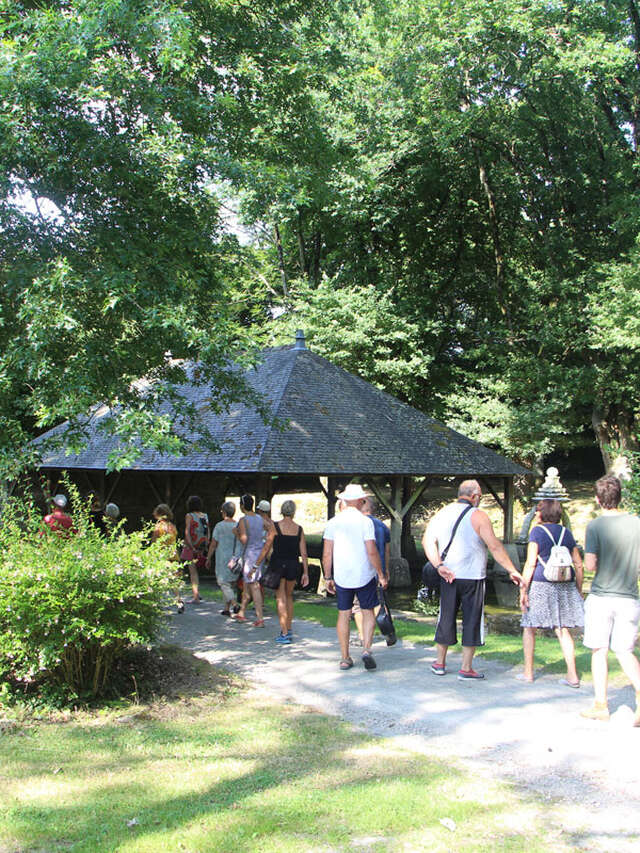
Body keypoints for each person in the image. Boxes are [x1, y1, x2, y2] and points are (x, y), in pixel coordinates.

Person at [423, 479, 522, 680]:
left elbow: (427, 541)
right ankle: (466, 667)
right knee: (472, 620)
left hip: (449, 574)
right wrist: (512, 569)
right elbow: (494, 546)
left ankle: (439, 662)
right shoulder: (478, 516)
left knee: (446, 617)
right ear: (475, 496)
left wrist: (439, 565)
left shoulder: (442, 513)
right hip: (473, 575)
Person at [581, 475, 640, 723]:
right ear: (620, 496)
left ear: (597, 499)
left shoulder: (595, 527)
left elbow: (591, 564)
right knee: (625, 651)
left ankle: (601, 704)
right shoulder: (637, 524)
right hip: (629, 596)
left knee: (599, 649)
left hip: (602, 595)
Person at [322, 484, 388, 671]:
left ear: (344, 500)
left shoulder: (333, 522)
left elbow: (327, 553)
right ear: (360, 501)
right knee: (367, 612)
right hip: (364, 575)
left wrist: (327, 577)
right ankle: (366, 648)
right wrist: (380, 573)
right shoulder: (365, 522)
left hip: (342, 576)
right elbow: (371, 551)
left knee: (344, 614)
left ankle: (345, 657)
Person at [519, 499, 584, 685]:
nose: (536, 514)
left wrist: (523, 589)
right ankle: (572, 675)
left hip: (541, 583)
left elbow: (531, 563)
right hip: (565, 584)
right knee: (563, 629)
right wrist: (578, 590)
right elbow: (578, 564)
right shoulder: (567, 533)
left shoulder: (537, 532)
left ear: (542, 513)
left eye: (537, 510)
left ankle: (528, 673)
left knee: (529, 626)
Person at [353, 496, 394, 647]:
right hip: (380, 569)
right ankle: (389, 632)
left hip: (363, 571)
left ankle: (363, 637)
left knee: (358, 605)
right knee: (380, 602)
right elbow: (387, 550)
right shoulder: (382, 526)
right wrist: (386, 569)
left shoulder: (358, 525)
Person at [270, 500, 309, 644]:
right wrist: (305, 572)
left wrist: (256, 563)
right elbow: (303, 553)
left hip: (279, 564)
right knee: (289, 596)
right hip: (293, 564)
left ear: (282, 510)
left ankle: (284, 633)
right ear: (293, 512)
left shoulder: (275, 527)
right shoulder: (299, 529)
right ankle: (289, 627)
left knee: (280, 598)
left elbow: (267, 545)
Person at [234, 494, 274, 627]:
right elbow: (271, 530)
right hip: (259, 552)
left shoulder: (243, 520)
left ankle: (260, 618)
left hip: (250, 554)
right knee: (248, 584)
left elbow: (244, 540)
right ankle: (242, 612)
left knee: (254, 585)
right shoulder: (259, 518)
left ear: (242, 505)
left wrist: (237, 534)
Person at [206, 501, 241, 617]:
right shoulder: (237, 526)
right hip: (235, 559)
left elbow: (213, 543)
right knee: (230, 584)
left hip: (222, 558)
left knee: (223, 582)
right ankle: (226, 608)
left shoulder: (219, 526)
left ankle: (235, 604)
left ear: (224, 512)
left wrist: (208, 557)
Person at [152, 503, 182, 613]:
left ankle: (162, 604)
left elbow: (154, 542)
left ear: (159, 514)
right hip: (174, 556)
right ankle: (179, 601)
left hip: (162, 556)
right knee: (173, 581)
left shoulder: (158, 527)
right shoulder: (172, 527)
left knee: (161, 580)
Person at [181, 495, 209, 604]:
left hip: (191, 545)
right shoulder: (205, 515)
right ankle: (197, 593)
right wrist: (206, 543)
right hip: (201, 544)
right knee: (197, 569)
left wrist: (190, 546)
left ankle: (196, 595)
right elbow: (208, 530)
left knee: (192, 572)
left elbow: (187, 531)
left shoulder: (189, 515)